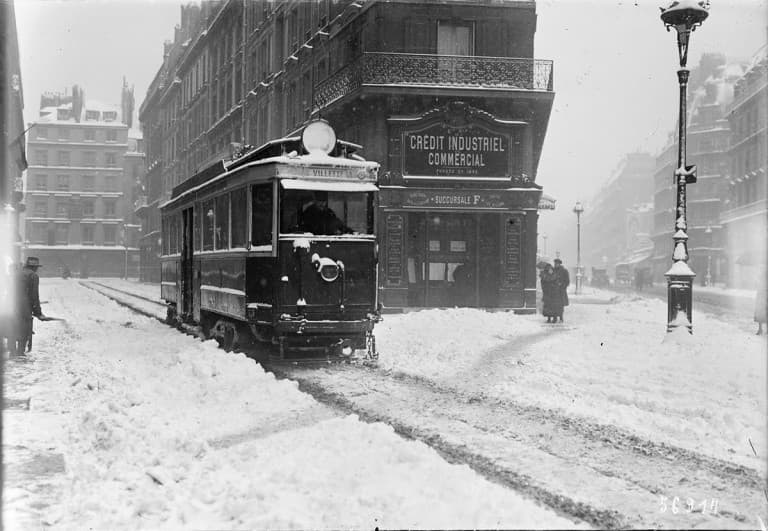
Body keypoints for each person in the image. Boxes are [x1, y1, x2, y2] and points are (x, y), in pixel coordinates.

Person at [11, 257, 46, 356]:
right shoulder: (33, 276)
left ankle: (12, 349)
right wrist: (38, 312)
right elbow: (34, 295)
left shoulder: (17, 273)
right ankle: (20, 352)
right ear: (34, 267)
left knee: (12, 326)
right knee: (25, 328)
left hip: (11, 303)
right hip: (24, 305)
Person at [553, 258, 570, 323]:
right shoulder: (553, 270)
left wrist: (562, 285)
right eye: (555, 263)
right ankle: (554, 318)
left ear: (559, 264)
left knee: (560, 305)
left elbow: (567, 281)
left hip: (561, 291)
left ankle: (561, 317)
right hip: (554, 291)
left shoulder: (564, 271)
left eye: (556, 263)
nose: (555, 264)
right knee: (554, 305)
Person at [755, 269, 767, 336]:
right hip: (760, 297)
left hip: (764, 297)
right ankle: (760, 329)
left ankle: (761, 329)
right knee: (759, 313)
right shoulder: (760, 281)